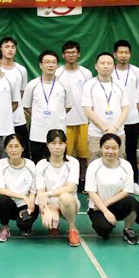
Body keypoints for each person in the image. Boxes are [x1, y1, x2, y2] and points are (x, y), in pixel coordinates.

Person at [85, 134, 139, 245]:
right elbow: (91, 192)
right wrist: (105, 210)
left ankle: (128, 229)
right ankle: (104, 224)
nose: (110, 151)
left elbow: (127, 190)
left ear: (119, 149)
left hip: (116, 204)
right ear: (101, 148)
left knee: (132, 202)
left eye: (114, 148)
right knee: (104, 230)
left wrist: (107, 203)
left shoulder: (126, 166)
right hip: (97, 207)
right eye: (106, 148)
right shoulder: (94, 166)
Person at [23, 51, 74, 163]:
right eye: (47, 62)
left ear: (57, 65)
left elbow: (68, 107)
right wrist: (38, 116)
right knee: (38, 164)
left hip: (58, 134)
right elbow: (26, 107)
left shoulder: (64, 84)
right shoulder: (32, 85)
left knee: (58, 164)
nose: (50, 65)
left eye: (53, 62)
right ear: (40, 65)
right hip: (37, 134)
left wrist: (56, 114)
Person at [36, 129, 81, 246]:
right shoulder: (41, 165)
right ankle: (54, 221)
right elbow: (40, 192)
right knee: (52, 227)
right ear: (48, 145)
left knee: (65, 197)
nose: (57, 147)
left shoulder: (73, 163)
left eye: (61, 143)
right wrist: (45, 210)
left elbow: (71, 187)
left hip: (69, 203)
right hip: (50, 204)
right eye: (53, 143)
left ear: (65, 145)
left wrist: (48, 193)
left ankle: (72, 229)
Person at [56, 41, 92, 185]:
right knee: (66, 154)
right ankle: (66, 181)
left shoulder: (86, 73)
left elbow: (90, 96)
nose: (71, 55)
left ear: (79, 54)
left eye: (73, 52)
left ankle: (82, 180)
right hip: (64, 122)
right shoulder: (58, 73)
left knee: (84, 154)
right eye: (68, 52)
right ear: (63, 55)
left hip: (83, 120)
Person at [82, 52, 129, 162]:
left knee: (119, 163)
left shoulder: (120, 84)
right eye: (102, 63)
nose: (106, 66)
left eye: (109, 63)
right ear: (96, 66)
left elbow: (125, 109)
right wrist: (104, 129)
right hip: (96, 134)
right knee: (95, 164)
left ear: (114, 66)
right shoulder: (89, 85)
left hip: (118, 133)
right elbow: (88, 111)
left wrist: (114, 128)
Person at [0, 135, 37, 242]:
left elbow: (33, 191)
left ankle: (26, 225)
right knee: (2, 200)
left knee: (24, 225)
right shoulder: (1, 164)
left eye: (17, 146)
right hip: (10, 204)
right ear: (5, 149)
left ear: (22, 148)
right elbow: (0, 190)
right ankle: (4, 228)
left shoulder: (30, 164)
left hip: (25, 205)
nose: (13, 150)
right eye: (10, 146)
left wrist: (30, 205)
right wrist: (23, 196)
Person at [113, 40, 139, 182]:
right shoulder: (110, 71)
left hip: (132, 119)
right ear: (115, 54)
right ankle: (116, 181)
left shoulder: (136, 72)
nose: (123, 55)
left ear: (130, 54)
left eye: (126, 52)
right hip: (114, 121)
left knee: (131, 152)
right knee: (115, 152)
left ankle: (134, 182)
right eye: (120, 52)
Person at [0, 36, 29, 151]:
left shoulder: (21, 70)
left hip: (18, 119)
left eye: (13, 47)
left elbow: (22, 92)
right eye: (6, 47)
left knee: (21, 151)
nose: (10, 49)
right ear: (0, 49)